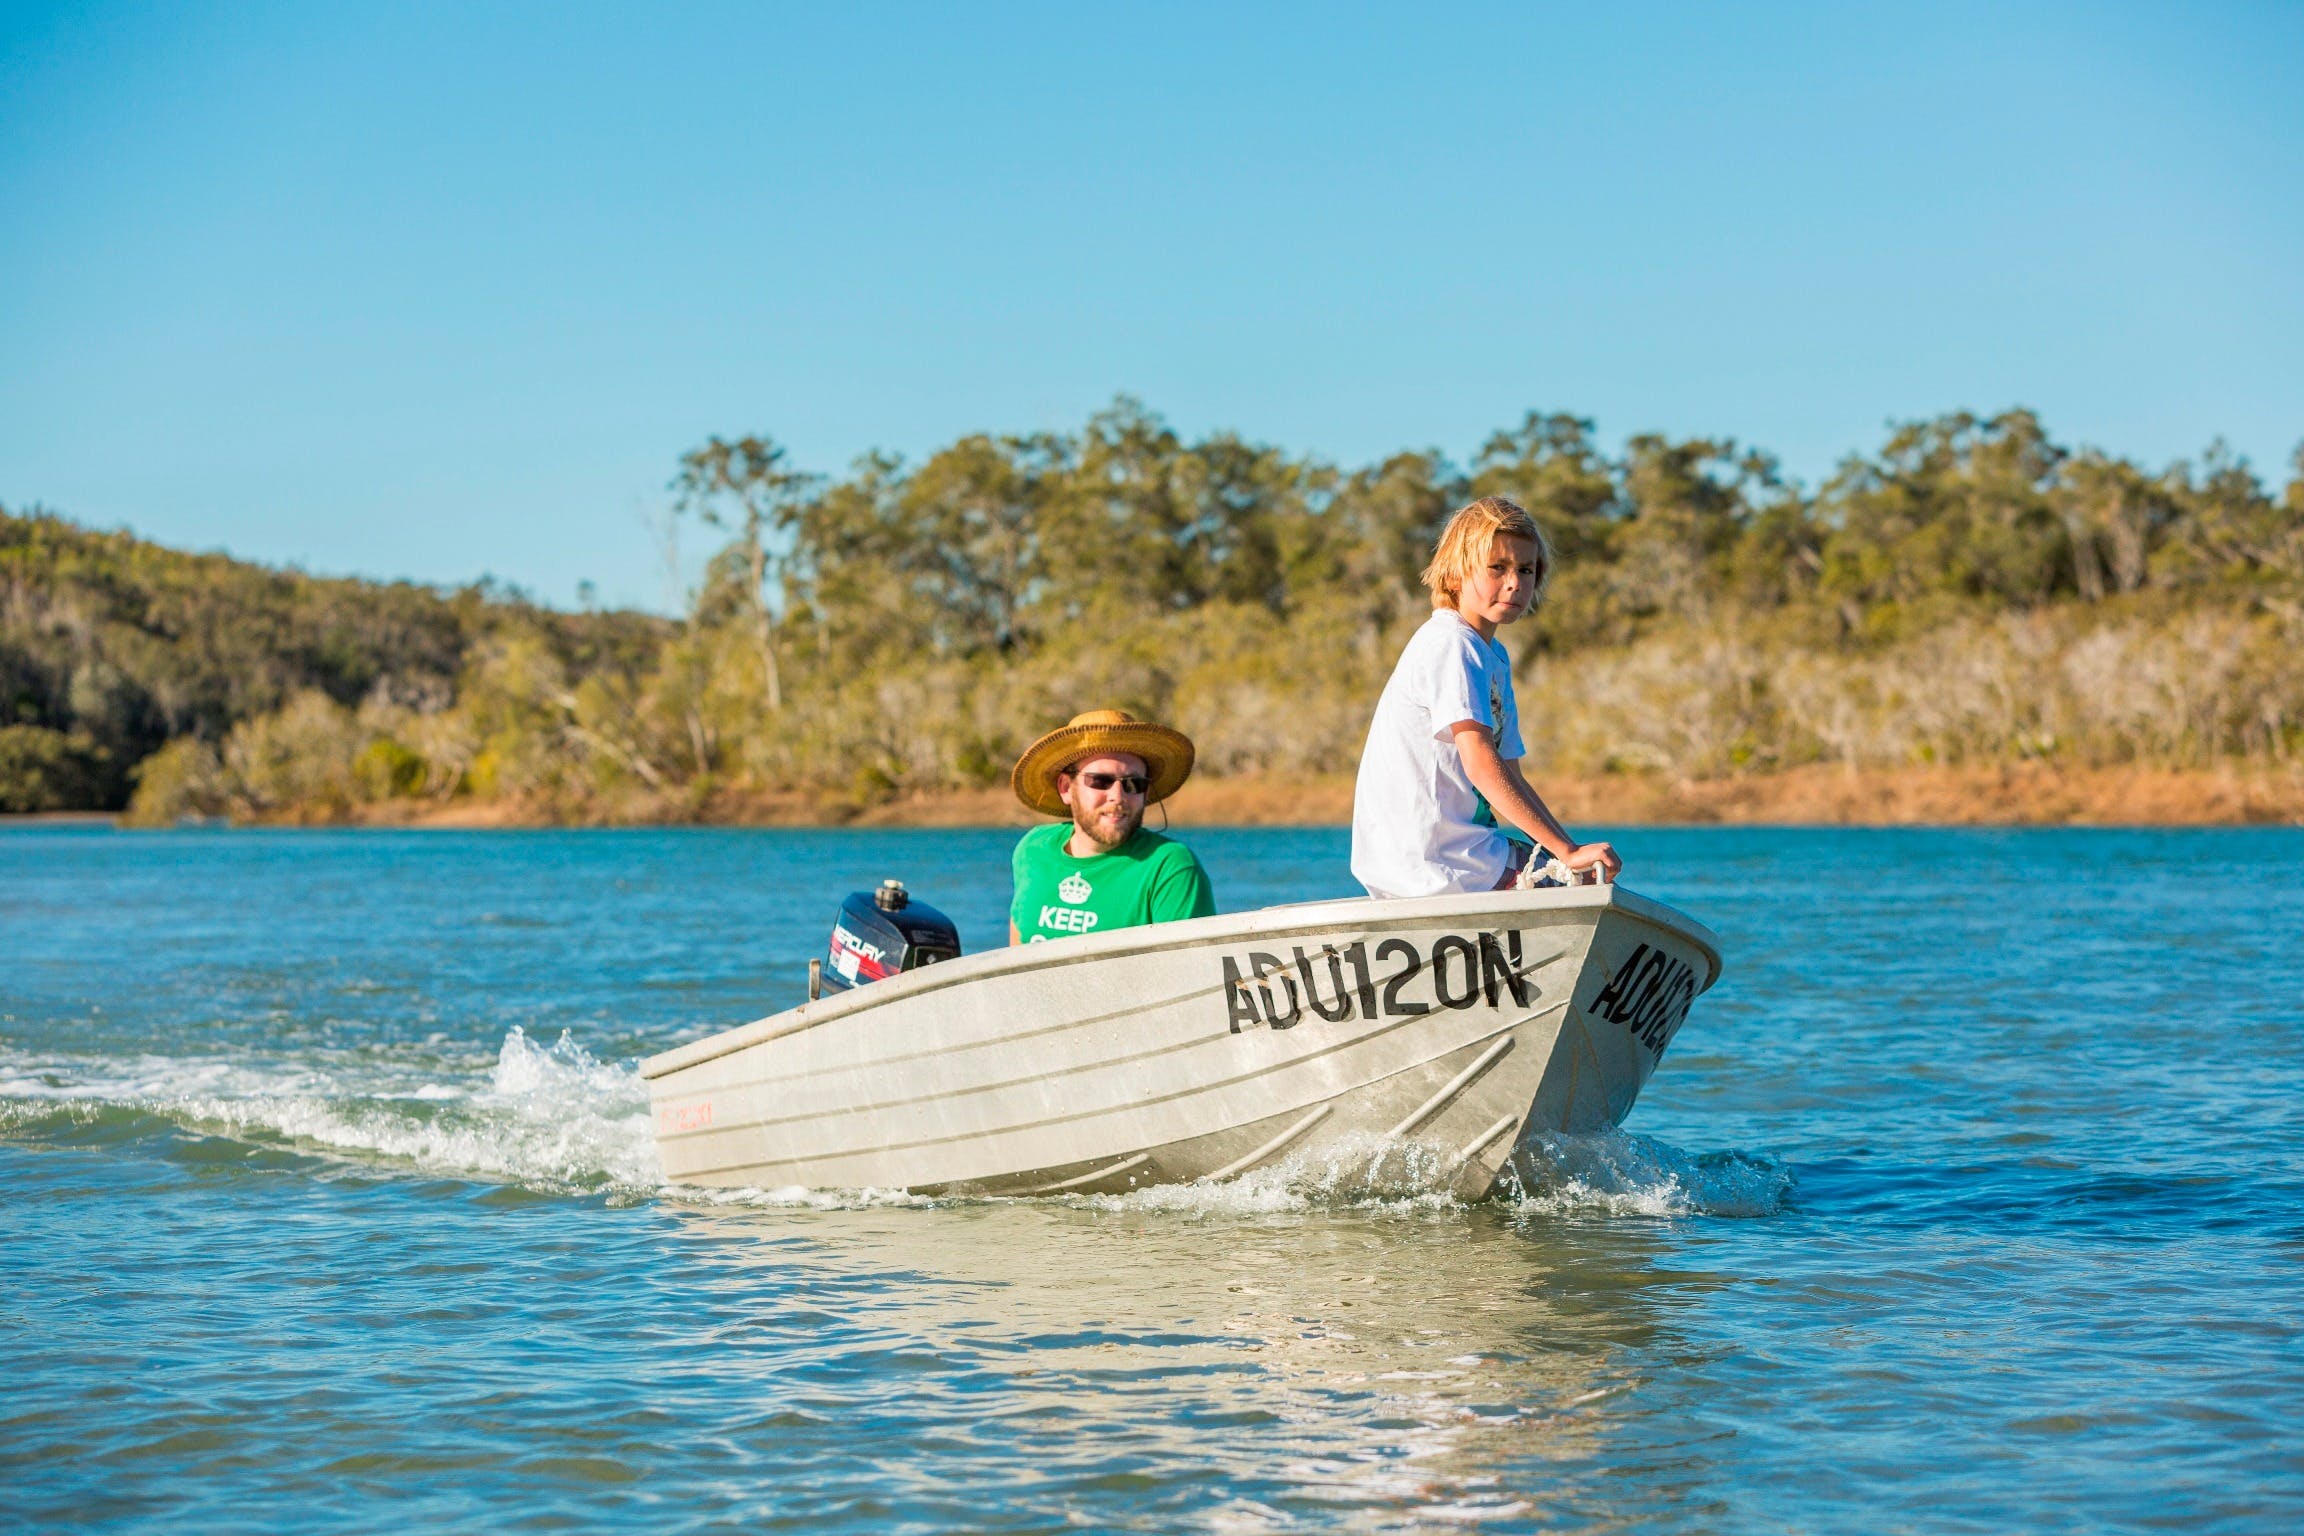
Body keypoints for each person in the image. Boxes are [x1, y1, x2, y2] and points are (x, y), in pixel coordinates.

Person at [1350, 495, 1621, 900]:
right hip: (1432, 861)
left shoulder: (1491, 655)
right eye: (1497, 568)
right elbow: (1480, 763)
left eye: (1526, 570)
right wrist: (1565, 852)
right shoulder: (1450, 643)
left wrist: (1569, 851)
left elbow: (1510, 775)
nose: (1514, 582)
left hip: (1464, 853)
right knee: (1577, 888)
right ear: (1456, 575)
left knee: (1583, 879)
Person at [1008, 708, 1217, 944]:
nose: (1117, 796)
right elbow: (1016, 952)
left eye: (1133, 784)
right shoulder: (1033, 849)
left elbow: (1191, 970)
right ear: (1066, 787)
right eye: (1100, 781)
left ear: (1146, 792)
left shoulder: (1170, 867)